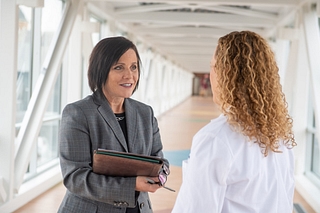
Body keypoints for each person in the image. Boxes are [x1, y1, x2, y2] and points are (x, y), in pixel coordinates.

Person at [172, 31, 297, 213]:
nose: (211, 74)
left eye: (213, 66)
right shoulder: (282, 137)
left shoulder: (216, 138)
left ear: (226, 75)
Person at [58, 36, 170, 213]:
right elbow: (75, 177)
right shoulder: (78, 113)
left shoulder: (145, 113)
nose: (129, 75)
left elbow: (159, 160)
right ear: (101, 71)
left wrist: (161, 175)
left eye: (134, 67)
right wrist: (131, 185)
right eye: (119, 67)